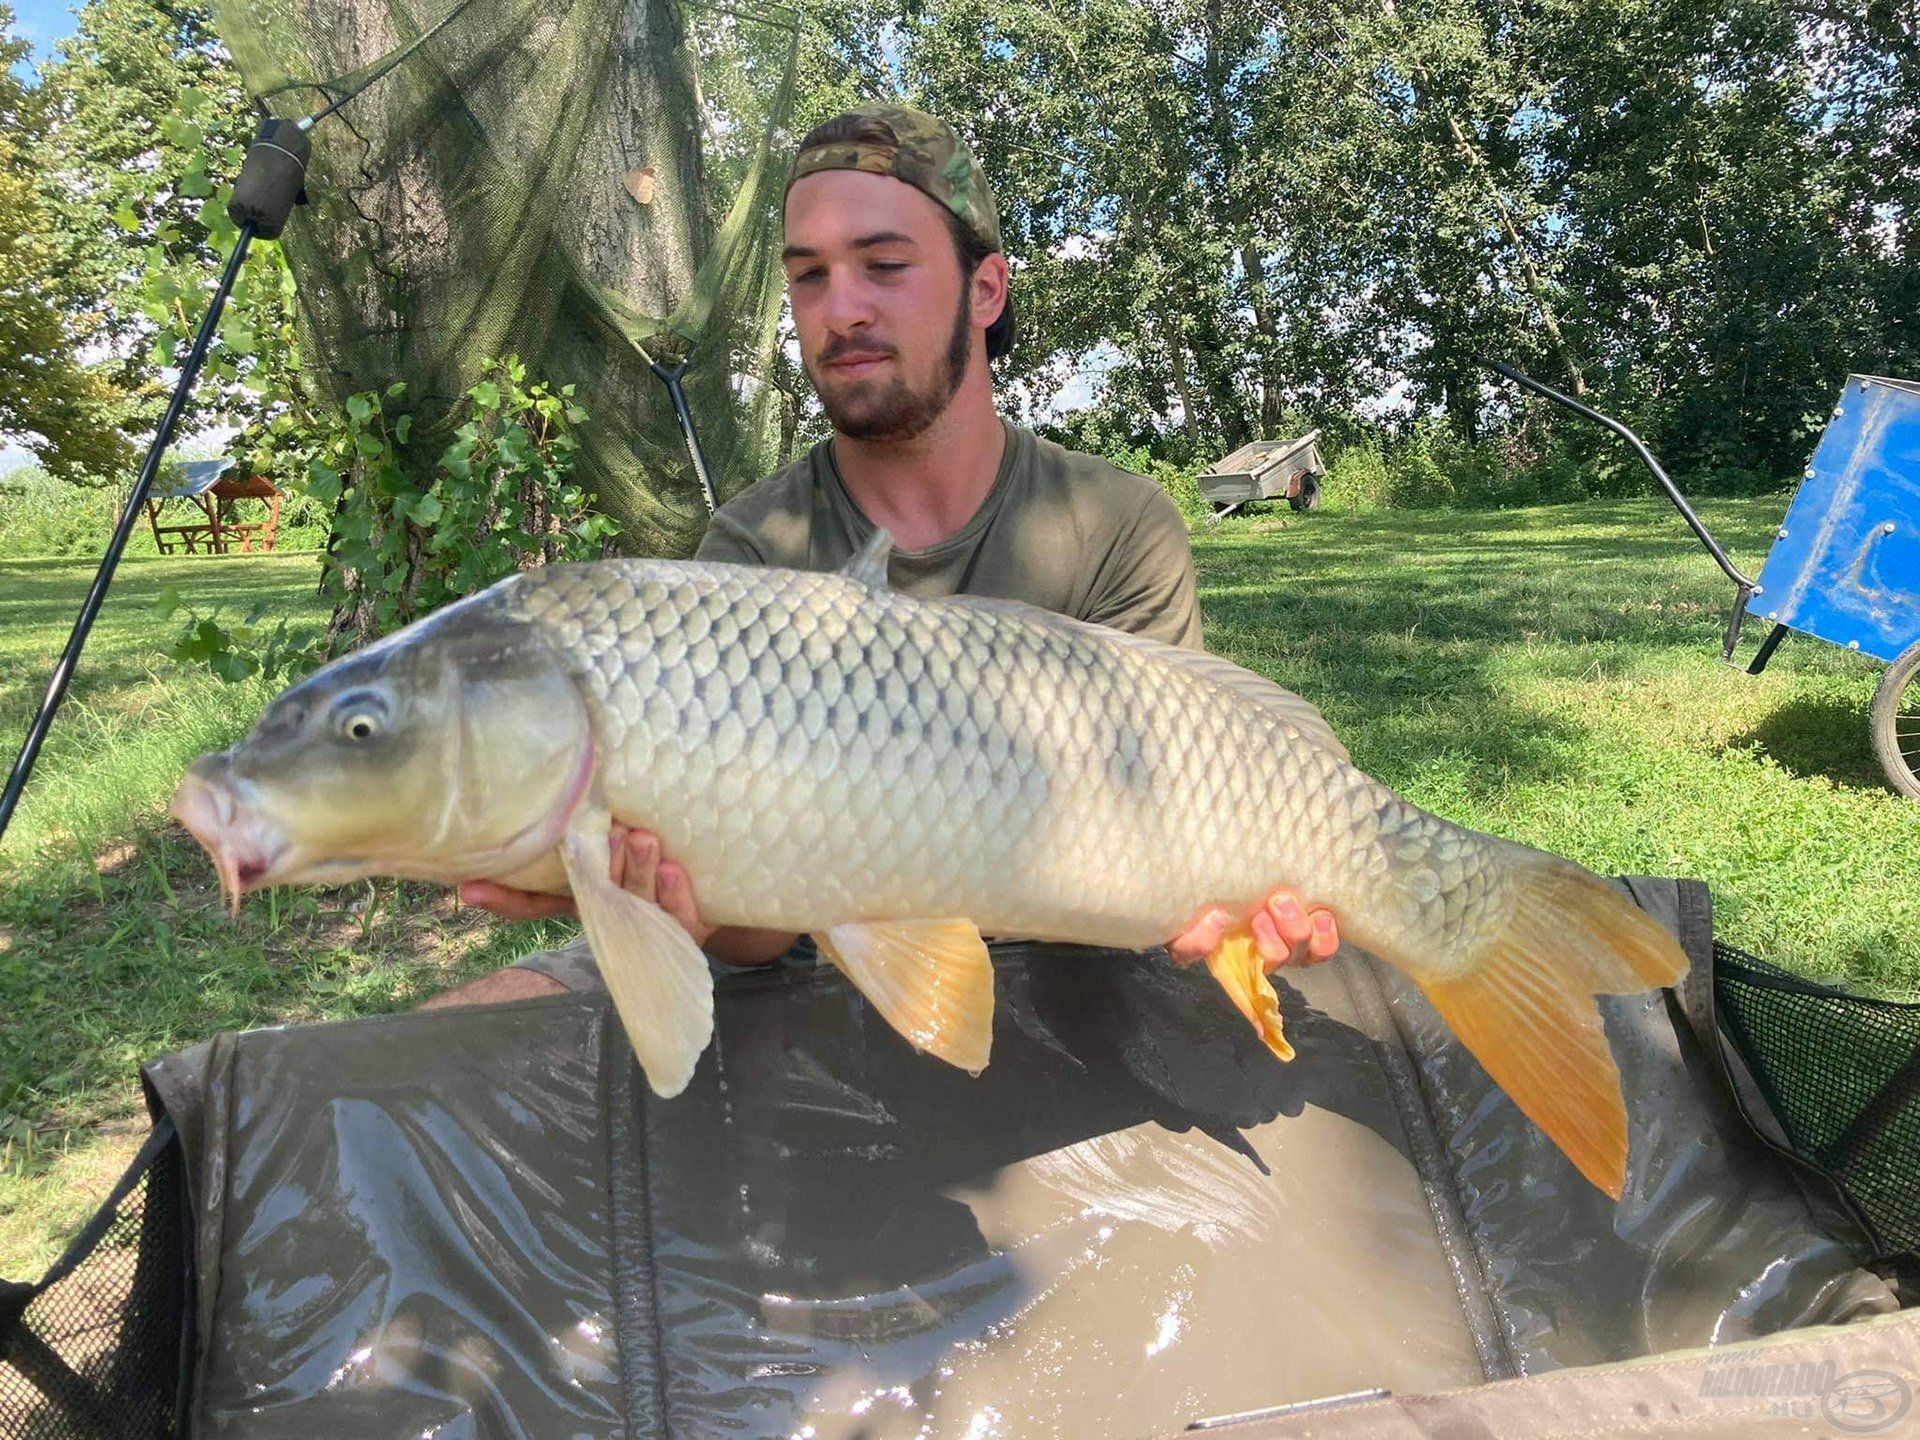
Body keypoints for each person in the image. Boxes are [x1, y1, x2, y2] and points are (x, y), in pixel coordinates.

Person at [424, 104, 1338, 1011]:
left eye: (885, 265)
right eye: (809, 277)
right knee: (468, 1028)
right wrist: (679, 906)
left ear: (986, 290)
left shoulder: (1113, 522)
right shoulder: (753, 548)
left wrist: (1244, 903)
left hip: (1066, 971)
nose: (841, 310)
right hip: (820, 974)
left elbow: (1172, 828)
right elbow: (761, 931)